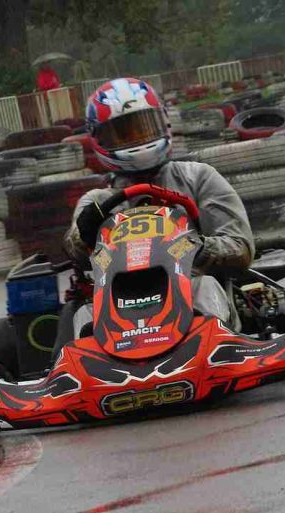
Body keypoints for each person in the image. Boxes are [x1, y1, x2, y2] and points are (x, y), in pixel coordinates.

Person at [57, 77, 254, 346]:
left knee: (205, 288)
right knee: (82, 314)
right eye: (124, 134)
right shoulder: (97, 202)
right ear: (100, 139)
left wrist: (192, 247)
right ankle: (84, 363)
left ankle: (211, 347)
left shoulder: (199, 178)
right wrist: (85, 236)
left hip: (189, 294)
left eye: (144, 128)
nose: (138, 139)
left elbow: (241, 247)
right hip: (122, 306)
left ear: (163, 122)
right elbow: (75, 251)